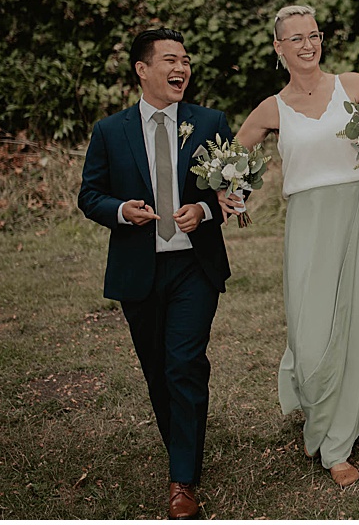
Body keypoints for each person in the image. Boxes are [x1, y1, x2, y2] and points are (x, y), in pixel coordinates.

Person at [216, 6, 359, 487]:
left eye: (314, 35)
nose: (307, 45)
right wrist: (225, 192)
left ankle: (339, 438)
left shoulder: (355, 86)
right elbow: (230, 163)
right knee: (312, 328)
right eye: (296, 38)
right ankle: (319, 408)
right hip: (309, 224)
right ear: (278, 47)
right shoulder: (271, 109)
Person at [77, 28, 232, 519]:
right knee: (157, 369)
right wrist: (122, 211)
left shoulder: (210, 123)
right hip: (138, 270)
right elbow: (90, 195)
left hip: (194, 267)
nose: (181, 68)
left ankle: (182, 479)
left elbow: (234, 190)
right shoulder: (110, 131)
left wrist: (204, 211)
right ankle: (182, 446)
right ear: (142, 70)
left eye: (185, 60)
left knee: (184, 363)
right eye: (169, 60)